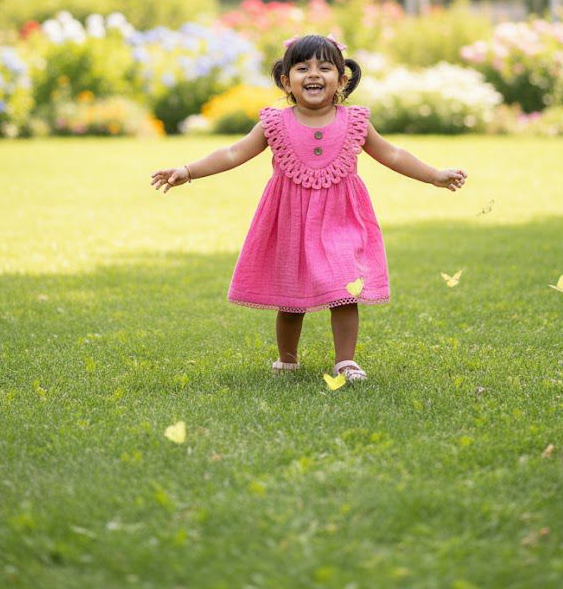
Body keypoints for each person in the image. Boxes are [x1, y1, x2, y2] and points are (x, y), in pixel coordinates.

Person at [150, 32, 467, 382]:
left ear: (341, 80)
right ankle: (288, 359)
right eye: (302, 68)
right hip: (290, 222)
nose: (313, 74)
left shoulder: (355, 121)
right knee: (290, 296)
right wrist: (187, 171)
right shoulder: (275, 123)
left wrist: (434, 175)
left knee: (346, 288)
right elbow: (232, 153)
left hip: (341, 220)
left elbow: (392, 154)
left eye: (324, 67)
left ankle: (345, 361)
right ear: (286, 80)